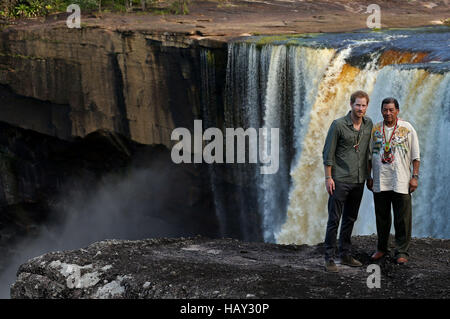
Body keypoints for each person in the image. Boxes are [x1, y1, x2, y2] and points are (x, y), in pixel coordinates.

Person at [322, 90, 373, 272]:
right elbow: (328, 153)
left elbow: (368, 153)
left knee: (350, 219)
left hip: (359, 181)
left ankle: (345, 255)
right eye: (357, 105)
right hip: (340, 180)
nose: (360, 108)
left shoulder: (369, 124)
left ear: (367, 106)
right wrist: (328, 178)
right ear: (351, 105)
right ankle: (329, 258)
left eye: (363, 105)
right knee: (334, 219)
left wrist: (369, 176)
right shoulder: (338, 125)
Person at [368, 97, 420, 264]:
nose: (388, 113)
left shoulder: (407, 128)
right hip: (380, 180)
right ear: (381, 111)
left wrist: (415, 177)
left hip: (401, 180)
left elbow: (415, 155)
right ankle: (382, 248)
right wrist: (369, 177)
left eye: (391, 110)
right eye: (385, 109)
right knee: (381, 217)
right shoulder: (376, 129)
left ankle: (402, 251)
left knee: (402, 218)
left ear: (397, 110)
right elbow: (370, 156)